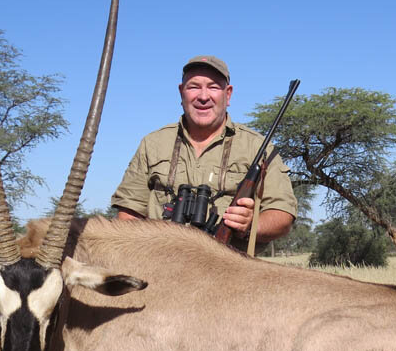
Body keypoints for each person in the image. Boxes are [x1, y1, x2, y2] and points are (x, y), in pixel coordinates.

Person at [111, 56, 296, 249]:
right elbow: (128, 214)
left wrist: (251, 225)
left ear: (228, 94)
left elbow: (283, 216)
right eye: (194, 87)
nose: (203, 96)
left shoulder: (259, 147)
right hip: (161, 264)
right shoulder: (153, 143)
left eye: (213, 87)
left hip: (231, 270)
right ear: (181, 92)